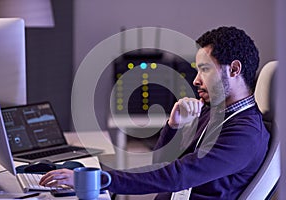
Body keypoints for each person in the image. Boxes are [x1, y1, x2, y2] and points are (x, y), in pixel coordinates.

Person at [39, 26, 270, 199]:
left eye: (205, 70)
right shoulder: (215, 114)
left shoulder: (245, 134)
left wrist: (95, 180)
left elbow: (176, 175)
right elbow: (160, 163)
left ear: (235, 69)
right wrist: (174, 125)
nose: (197, 80)